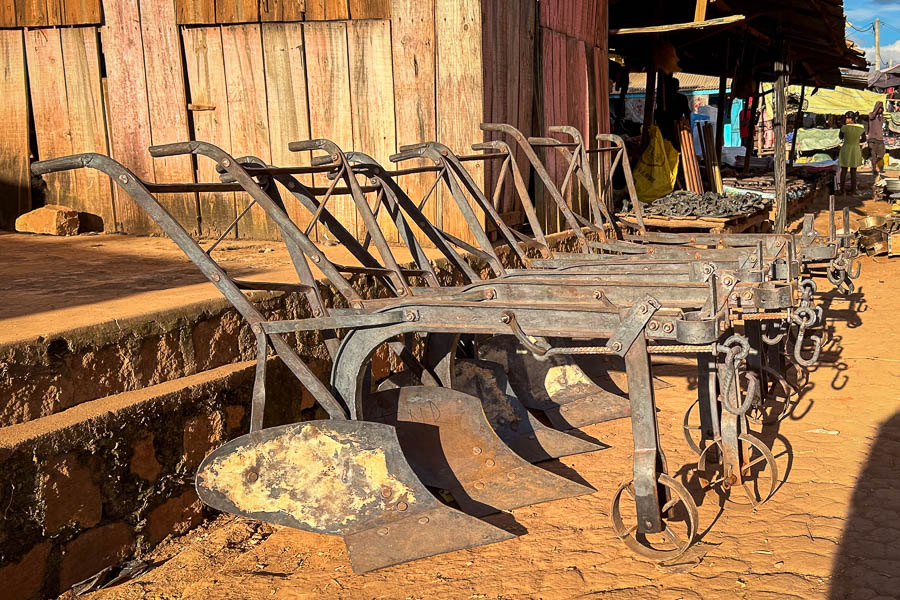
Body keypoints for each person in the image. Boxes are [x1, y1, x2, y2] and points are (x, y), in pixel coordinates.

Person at [839, 112, 866, 194]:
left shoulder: (844, 127)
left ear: (850, 119)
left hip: (846, 148)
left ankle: (841, 189)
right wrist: (857, 141)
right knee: (853, 171)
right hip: (855, 149)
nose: (846, 120)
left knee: (844, 170)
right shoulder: (861, 127)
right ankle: (853, 190)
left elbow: (840, 137)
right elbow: (864, 139)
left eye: (847, 118)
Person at [867, 100, 886, 182]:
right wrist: (878, 105)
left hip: (880, 138)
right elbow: (872, 115)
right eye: (879, 108)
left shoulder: (882, 118)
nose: (880, 110)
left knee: (882, 153)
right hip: (872, 139)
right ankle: (874, 169)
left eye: (881, 108)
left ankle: (874, 165)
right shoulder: (871, 115)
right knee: (873, 155)